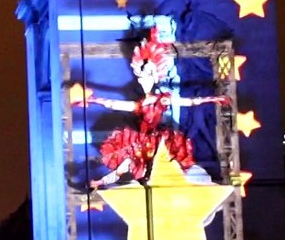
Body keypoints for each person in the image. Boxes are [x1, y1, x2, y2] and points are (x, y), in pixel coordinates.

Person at [73, 27, 230, 189]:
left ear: (155, 76)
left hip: (160, 141)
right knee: (125, 165)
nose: (142, 78)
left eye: (146, 73)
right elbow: (113, 104)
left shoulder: (161, 100)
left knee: (175, 167)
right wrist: (92, 100)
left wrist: (212, 99)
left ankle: (199, 188)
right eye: (141, 73)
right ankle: (98, 183)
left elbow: (189, 102)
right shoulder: (139, 105)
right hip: (140, 141)